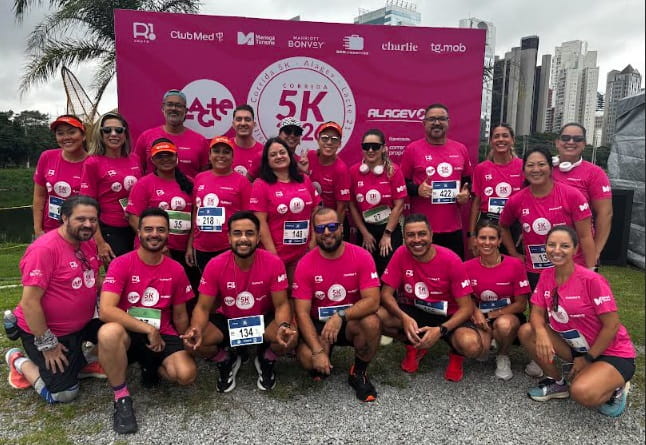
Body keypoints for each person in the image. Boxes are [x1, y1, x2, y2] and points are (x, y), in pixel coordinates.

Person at [499, 146, 596, 378]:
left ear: (551, 168)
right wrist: (514, 253)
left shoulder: (571, 195)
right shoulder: (517, 200)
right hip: (537, 270)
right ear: (524, 170)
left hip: (571, 269)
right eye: (530, 165)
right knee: (540, 315)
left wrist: (592, 270)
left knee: (573, 313)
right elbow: (503, 226)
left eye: (541, 164)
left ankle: (585, 358)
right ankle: (541, 355)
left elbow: (585, 236)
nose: (536, 169)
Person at [97, 207, 197, 434]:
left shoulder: (176, 269)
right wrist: (148, 329)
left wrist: (187, 341)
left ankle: (150, 367)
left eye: (161, 230)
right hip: (129, 332)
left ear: (168, 233)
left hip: (164, 332)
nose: (154, 234)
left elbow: (180, 314)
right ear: (139, 232)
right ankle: (121, 396)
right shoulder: (121, 263)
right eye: (149, 229)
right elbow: (106, 310)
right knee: (108, 333)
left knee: (186, 375)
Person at [518, 225, 635, 417]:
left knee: (581, 392)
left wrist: (588, 358)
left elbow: (612, 325)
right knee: (527, 331)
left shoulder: (591, 280)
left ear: (575, 249)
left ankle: (617, 387)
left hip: (610, 351)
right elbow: (537, 313)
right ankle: (557, 382)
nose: (556, 250)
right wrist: (541, 332)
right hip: (576, 347)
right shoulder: (546, 275)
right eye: (551, 245)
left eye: (564, 246)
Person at [182, 211, 298, 392]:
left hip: (262, 319)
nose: (243, 238)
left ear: (258, 238)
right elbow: (202, 307)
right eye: (237, 233)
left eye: (249, 233)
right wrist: (196, 328)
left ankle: (266, 357)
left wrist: (283, 325)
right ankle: (225, 359)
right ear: (229, 238)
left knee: (291, 337)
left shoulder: (273, 262)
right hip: (229, 320)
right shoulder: (215, 264)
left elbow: (282, 304)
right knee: (194, 343)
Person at [5, 196, 104, 404]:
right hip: (50, 332)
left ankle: (79, 363)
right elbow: (30, 303)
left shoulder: (88, 243)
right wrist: (48, 345)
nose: (88, 224)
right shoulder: (44, 250)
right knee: (64, 394)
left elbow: (92, 280)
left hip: (80, 325)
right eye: (81, 219)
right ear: (65, 218)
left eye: (93, 220)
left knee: (123, 335)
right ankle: (18, 361)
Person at [378, 213, 486, 382]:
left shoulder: (451, 260)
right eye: (411, 235)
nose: (416, 240)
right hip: (416, 311)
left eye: (422, 234)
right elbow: (386, 294)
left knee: (471, 346)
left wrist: (441, 330)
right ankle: (415, 345)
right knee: (377, 317)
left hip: (448, 315)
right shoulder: (401, 253)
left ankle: (456, 355)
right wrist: (404, 318)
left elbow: (466, 308)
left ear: (431, 234)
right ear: (404, 237)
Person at [292, 207, 381, 402]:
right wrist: (317, 351)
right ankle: (324, 353)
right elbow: (302, 313)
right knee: (308, 360)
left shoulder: (361, 256)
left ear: (341, 228)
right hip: (319, 324)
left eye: (332, 227)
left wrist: (341, 316)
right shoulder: (305, 263)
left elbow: (373, 301)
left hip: (349, 321)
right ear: (314, 232)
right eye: (320, 228)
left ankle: (358, 372)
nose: (326, 232)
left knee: (372, 323)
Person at [400, 104, 472, 259]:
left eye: (441, 119)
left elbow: (468, 182)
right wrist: (417, 190)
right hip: (421, 231)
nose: (437, 123)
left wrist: (466, 194)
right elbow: (401, 184)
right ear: (424, 123)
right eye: (432, 119)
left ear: (448, 122)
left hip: (452, 228)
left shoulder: (461, 149)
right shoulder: (412, 149)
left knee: (453, 271)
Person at [463, 220, 530, 380]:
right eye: (482, 238)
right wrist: (476, 312)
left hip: (507, 315)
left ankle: (503, 355)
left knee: (504, 325)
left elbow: (521, 305)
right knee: (478, 351)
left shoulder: (515, 265)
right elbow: (465, 298)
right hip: (480, 317)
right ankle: (490, 339)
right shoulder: (466, 267)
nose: (487, 243)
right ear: (475, 240)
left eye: (492, 238)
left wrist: (491, 315)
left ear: (499, 241)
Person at [250, 137, 320, 283]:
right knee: (279, 293)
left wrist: (313, 241)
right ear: (267, 160)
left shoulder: (304, 180)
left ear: (289, 155)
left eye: (282, 152)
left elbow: (315, 212)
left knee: (301, 292)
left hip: (304, 252)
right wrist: (273, 255)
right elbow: (260, 222)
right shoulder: (261, 185)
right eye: (273, 154)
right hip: (277, 252)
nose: (279, 156)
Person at [126, 138, 195, 282]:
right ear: (152, 160)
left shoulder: (190, 183)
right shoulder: (143, 184)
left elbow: (195, 216)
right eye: (160, 156)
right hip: (152, 249)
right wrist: (159, 245)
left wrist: (190, 245)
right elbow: (133, 218)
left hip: (183, 252)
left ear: (176, 157)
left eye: (169, 155)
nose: (165, 159)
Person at [81, 111, 142, 263]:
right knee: (120, 274)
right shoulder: (93, 162)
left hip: (137, 226)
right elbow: (87, 207)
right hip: (111, 229)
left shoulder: (134, 159)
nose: (113, 134)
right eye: (107, 130)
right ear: (100, 134)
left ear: (125, 134)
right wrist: (100, 243)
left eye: (119, 130)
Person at [186, 136, 252, 273]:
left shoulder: (242, 182)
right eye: (216, 151)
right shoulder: (200, 178)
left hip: (229, 247)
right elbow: (195, 213)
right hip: (201, 247)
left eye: (226, 152)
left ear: (233, 157)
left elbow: (248, 219)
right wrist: (190, 245)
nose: (221, 155)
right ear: (210, 156)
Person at [552, 123, 613, 266]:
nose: (571, 142)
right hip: (543, 251)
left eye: (577, 139)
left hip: (577, 256)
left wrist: (595, 251)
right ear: (557, 142)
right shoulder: (543, 168)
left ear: (584, 144)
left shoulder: (595, 173)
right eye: (565, 138)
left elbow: (605, 213)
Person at [348, 129, 407, 275]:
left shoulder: (393, 171)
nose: (370, 150)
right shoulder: (354, 171)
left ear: (383, 148)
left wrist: (387, 234)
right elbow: (352, 205)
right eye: (366, 146)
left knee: (388, 272)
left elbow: (399, 205)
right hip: (366, 230)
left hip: (389, 229)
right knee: (366, 272)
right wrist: (364, 233)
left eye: (375, 146)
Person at [468, 124, 523, 253]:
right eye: (496, 136)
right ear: (491, 141)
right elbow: (476, 204)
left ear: (513, 140)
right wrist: (471, 235)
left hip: (515, 225)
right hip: (488, 224)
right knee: (487, 262)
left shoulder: (523, 166)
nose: (501, 139)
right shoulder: (481, 168)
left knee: (514, 262)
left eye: (505, 136)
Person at [32, 115, 89, 237]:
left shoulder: (93, 162)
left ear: (83, 135)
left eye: (72, 132)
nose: (66, 137)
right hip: (51, 231)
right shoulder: (47, 157)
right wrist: (38, 230)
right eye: (60, 133)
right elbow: (39, 196)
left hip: (84, 232)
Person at [133, 89, 209, 178]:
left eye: (178, 105)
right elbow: (137, 171)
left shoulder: (200, 141)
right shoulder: (146, 137)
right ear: (163, 108)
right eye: (169, 104)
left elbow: (205, 178)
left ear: (186, 111)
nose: (173, 108)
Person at [306, 122, 351, 227]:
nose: (329, 142)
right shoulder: (309, 156)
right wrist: (303, 172)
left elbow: (342, 207)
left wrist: (336, 229)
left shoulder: (341, 169)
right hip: (311, 219)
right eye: (325, 138)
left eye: (334, 139)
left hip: (331, 222)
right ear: (318, 140)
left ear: (339, 144)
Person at [230, 104, 263, 180]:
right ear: (233, 124)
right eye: (239, 119)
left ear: (254, 124)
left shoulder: (263, 152)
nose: (243, 123)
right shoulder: (224, 148)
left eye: (247, 120)